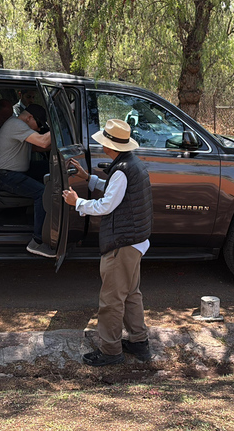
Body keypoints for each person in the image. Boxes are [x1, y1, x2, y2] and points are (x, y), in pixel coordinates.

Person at [62, 119, 153, 367]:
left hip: (122, 243)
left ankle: (111, 351)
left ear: (110, 146)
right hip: (135, 240)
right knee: (131, 294)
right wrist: (88, 178)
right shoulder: (131, 165)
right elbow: (116, 191)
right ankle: (138, 341)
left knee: (111, 299)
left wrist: (77, 202)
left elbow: (106, 205)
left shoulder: (122, 169)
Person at [0, 103, 56, 258]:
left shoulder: (19, 126)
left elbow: (41, 147)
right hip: (5, 176)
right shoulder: (15, 124)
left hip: (14, 172)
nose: (39, 129)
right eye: (39, 124)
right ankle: (37, 241)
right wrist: (58, 125)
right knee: (42, 193)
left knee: (53, 168)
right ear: (29, 117)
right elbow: (43, 141)